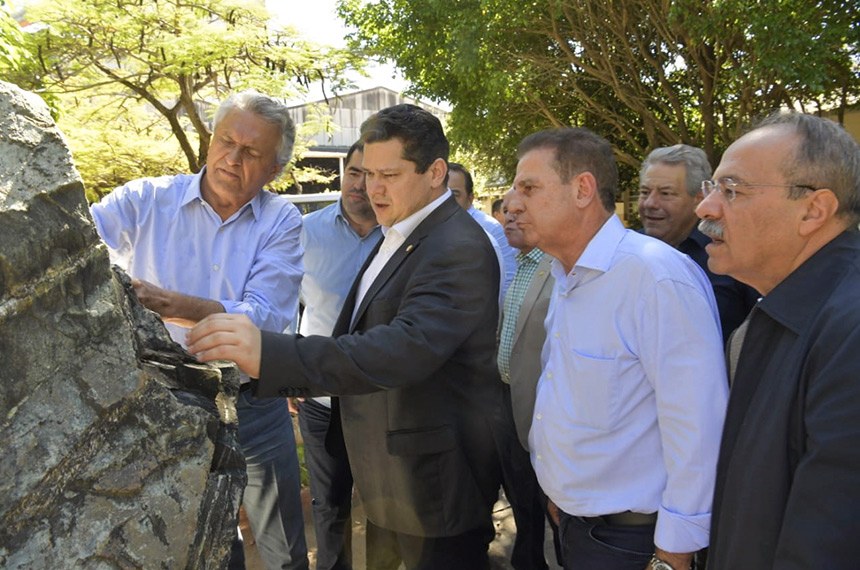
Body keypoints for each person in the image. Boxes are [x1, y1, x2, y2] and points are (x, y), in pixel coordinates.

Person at [188, 103, 503, 570]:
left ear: (436, 172)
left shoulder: (456, 247)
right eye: (366, 173)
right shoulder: (401, 229)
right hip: (392, 480)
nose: (371, 188)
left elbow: (401, 350)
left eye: (389, 175)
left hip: (432, 493)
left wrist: (270, 354)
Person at [90, 90, 309, 570]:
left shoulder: (281, 220)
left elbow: (267, 318)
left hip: (253, 403)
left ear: (274, 169)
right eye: (226, 140)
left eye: (251, 152)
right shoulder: (144, 199)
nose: (233, 158)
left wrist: (169, 304)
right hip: (167, 401)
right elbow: (80, 248)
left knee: (283, 544)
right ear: (210, 141)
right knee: (204, 541)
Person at [507, 127, 728, 570]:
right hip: (577, 523)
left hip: (632, 542)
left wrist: (673, 553)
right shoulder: (567, 273)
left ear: (583, 189)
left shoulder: (655, 277)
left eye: (528, 187)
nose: (512, 203)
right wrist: (558, 496)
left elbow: (698, 426)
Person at [697, 112, 860, 569]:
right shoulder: (785, 307)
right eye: (712, 188)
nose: (705, 209)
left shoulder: (849, 330)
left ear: (813, 210)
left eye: (731, 190)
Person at [297, 141, 381, 570]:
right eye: (354, 172)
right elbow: (280, 305)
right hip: (323, 400)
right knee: (329, 508)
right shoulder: (304, 233)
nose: (360, 184)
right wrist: (288, 374)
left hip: (384, 401)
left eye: (372, 175)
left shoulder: (403, 237)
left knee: (389, 510)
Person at [493, 188, 556, 570]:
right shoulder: (514, 263)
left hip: (541, 404)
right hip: (505, 396)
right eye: (506, 211)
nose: (510, 218)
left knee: (549, 499)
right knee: (521, 494)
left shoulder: (559, 266)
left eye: (520, 211)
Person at [638, 144, 758, 340]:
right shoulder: (623, 253)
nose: (651, 203)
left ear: (699, 198)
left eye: (665, 193)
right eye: (645, 192)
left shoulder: (733, 254)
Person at [448, 162, 517, 299]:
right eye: (442, 193)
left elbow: (508, 277)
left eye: (455, 194)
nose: (446, 200)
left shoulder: (489, 228)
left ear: (470, 198)